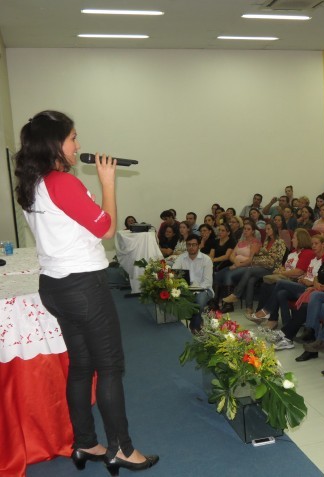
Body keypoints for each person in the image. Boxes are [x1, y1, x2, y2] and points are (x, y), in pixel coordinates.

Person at [14, 111, 158, 472]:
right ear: (54, 143)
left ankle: (85, 443)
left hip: (55, 285)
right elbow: (106, 229)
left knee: (81, 366)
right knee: (109, 367)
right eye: (73, 138)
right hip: (83, 286)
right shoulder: (62, 182)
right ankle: (121, 448)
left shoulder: (33, 183)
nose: (78, 145)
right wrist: (108, 183)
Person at [221, 222, 286, 315]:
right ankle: (249, 307)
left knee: (249, 270)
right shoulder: (267, 241)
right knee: (251, 280)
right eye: (266, 229)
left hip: (272, 268)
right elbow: (260, 254)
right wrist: (256, 252)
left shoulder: (280, 242)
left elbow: (278, 258)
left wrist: (263, 253)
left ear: (274, 229)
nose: (266, 231)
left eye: (268, 229)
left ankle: (236, 294)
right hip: (262, 265)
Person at [215, 218, 261, 306]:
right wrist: (235, 262)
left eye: (248, 229)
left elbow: (251, 260)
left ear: (253, 231)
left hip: (247, 267)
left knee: (229, 275)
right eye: (244, 229)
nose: (246, 231)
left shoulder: (255, 242)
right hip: (236, 265)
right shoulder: (241, 241)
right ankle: (216, 301)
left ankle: (228, 304)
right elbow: (232, 255)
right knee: (218, 274)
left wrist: (238, 265)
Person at [173, 234, 214, 333]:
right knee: (174, 300)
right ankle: (198, 324)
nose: (191, 247)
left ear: (199, 245)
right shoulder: (181, 258)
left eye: (194, 245)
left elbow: (208, 282)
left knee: (198, 303)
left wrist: (195, 289)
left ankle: (194, 327)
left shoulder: (206, 259)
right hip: (186, 289)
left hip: (204, 290)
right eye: (189, 245)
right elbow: (174, 273)